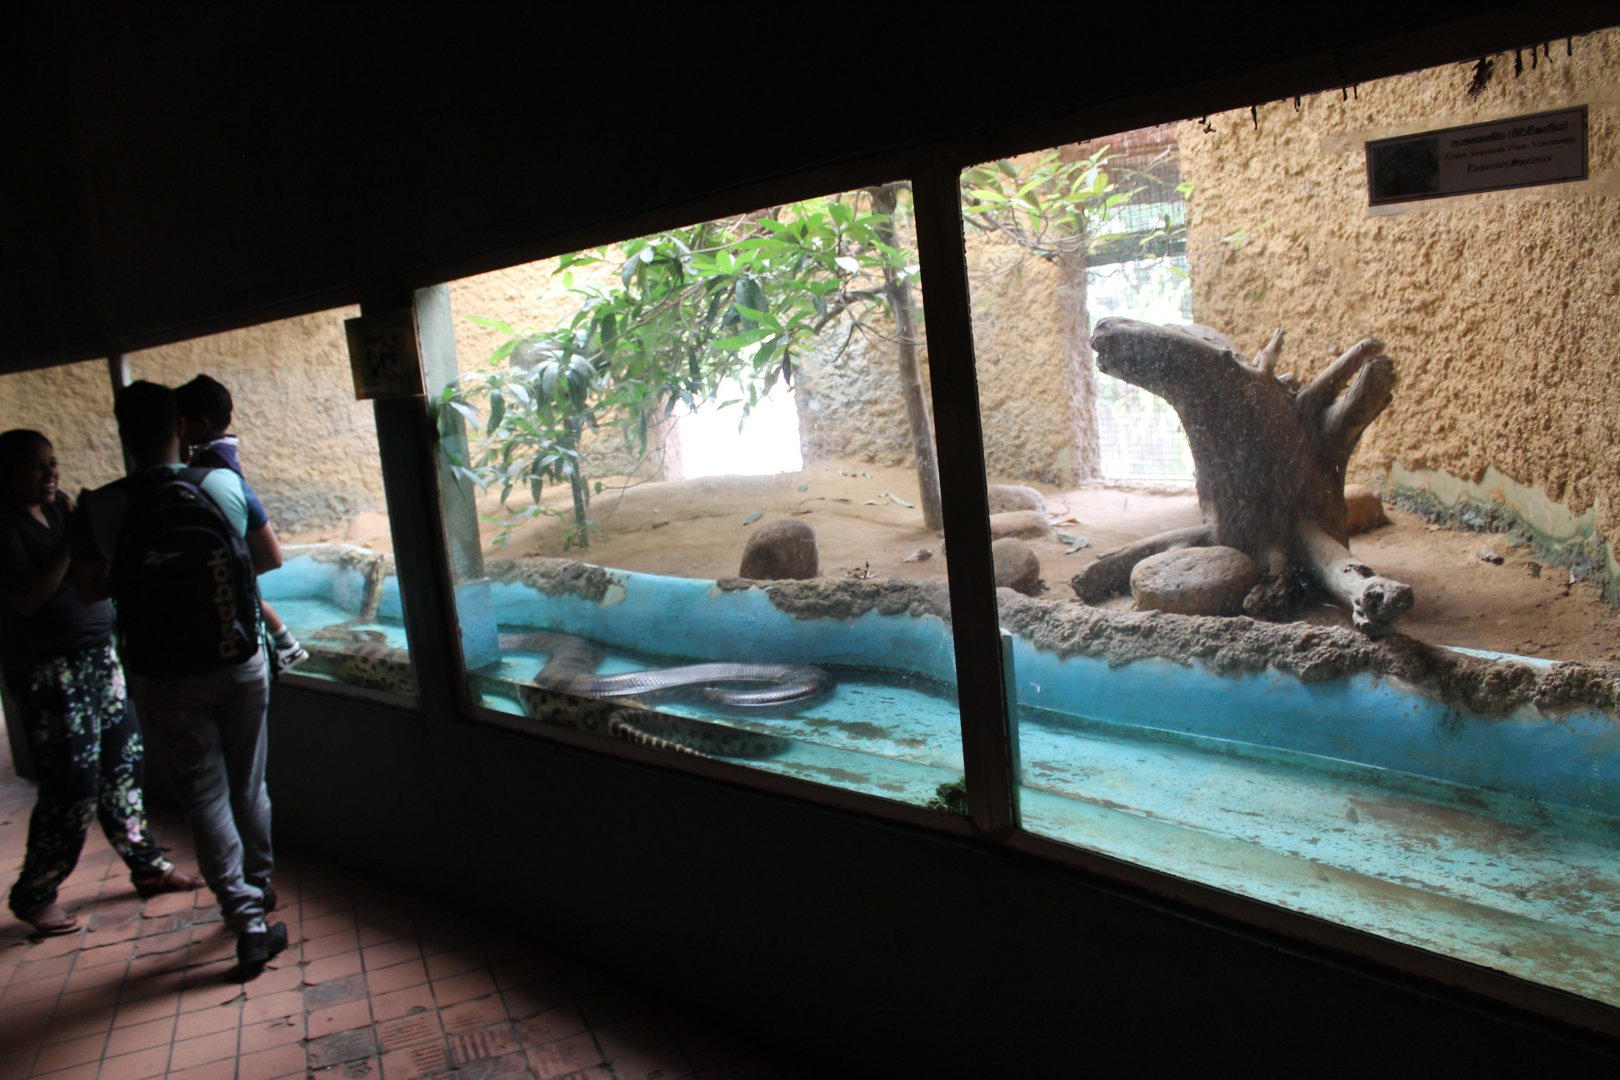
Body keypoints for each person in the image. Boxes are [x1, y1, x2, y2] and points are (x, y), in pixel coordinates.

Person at [72, 383, 288, 973]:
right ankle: (261, 886)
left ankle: (244, 920)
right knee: (249, 784)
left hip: (163, 674)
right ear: (181, 426)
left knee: (204, 794)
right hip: (238, 660)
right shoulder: (220, 482)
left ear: (121, 429)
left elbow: (90, 591)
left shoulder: (98, 505)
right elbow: (270, 557)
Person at [0, 428, 203, 936]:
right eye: (36, 465)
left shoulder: (59, 507)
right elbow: (25, 600)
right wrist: (71, 543)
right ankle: (34, 892)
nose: (51, 472)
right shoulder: (3, 527)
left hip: (98, 657)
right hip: (50, 671)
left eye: (53, 461)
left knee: (123, 764)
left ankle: (147, 866)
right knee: (72, 784)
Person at [176, 374, 307, 675]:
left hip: (227, 554)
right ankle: (288, 644)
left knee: (245, 598)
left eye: (182, 422)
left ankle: (287, 644)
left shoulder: (209, 464)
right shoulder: (220, 451)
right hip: (235, 551)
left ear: (201, 425)